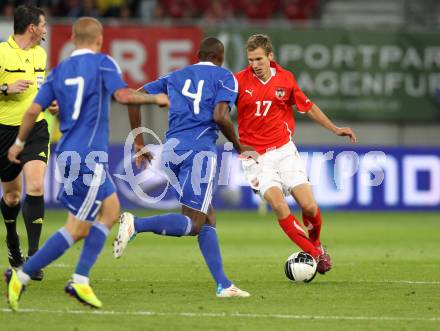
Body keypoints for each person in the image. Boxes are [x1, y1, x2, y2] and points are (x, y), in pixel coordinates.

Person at [5, 16, 169, 311]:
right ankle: (29, 275)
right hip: (87, 157)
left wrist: (18, 143)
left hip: (69, 153)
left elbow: (31, 111)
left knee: (111, 209)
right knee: (76, 228)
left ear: (71, 39)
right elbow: (122, 95)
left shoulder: (58, 70)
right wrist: (155, 99)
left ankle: (74, 277)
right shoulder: (104, 64)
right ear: (99, 39)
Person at [113, 37, 251, 298]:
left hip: (171, 152)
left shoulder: (177, 76)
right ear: (220, 58)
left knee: (206, 217)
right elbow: (220, 116)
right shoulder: (225, 77)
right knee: (195, 222)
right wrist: (237, 144)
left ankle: (223, 284)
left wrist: (139, 142)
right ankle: (136, 224)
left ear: (198, 55)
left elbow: (134, 96)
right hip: (199, 152)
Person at [235, 34, 357, 274]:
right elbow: (218, 109)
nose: (255, 64)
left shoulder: (285, 79)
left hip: (284, 151)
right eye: (251, 60)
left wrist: (335, 129)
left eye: (259, 59)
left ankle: (317, 244)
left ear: (271, 57)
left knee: (310, 207)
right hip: (255, 158)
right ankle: (315, 254)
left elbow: (308, 107)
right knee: (279, 205)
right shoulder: (238, 82)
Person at [0, 4, 57, 281]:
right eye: (43, 25)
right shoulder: (1, 52)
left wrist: (52, 102)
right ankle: (13, 240)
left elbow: (39, 88)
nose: (45, 30)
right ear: (32, 27)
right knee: (11, 197)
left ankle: (35, 257)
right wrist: (4, 89)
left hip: (35, 127)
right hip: (4, 131)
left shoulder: (41, 54)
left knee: (35, 185)